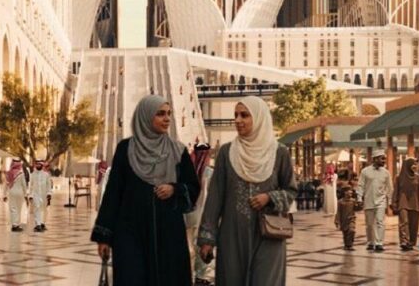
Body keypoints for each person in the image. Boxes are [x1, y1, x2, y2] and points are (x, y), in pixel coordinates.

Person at [91, 94, 200, 285]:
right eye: (160, 114)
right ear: (146, 116)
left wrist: (174, 189)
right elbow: (113, 193)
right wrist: (104, 237)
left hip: (168, 235)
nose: (167, 118)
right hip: (130, 234)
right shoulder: (126, 149)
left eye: (169, 114)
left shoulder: (178, 151)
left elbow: (193, 187)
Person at [197, 98, 297, 286]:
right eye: (235, 115)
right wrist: (207, 239)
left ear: (259, 118)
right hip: (232, 237)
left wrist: (270, 197)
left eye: (244, 115)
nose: (238, 120)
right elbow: (215, 197)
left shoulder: (279, 152)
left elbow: (291, 191)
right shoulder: (227, 153)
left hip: (269, 235)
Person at [184, 143, 213, 286]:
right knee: (202, 244)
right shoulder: (209, 172)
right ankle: (201, 275)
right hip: (203, 215)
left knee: (189, 245)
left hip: (189, 214)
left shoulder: (188, 169)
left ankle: (190, 274)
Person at [356, 154, 392, 252]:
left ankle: (379, 243)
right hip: (368, 200)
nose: (384, 161)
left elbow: (390, 188)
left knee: (380, 222)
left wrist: (390, 201)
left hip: (381, 201)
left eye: (384, 159)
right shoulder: (365, 171)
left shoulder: (386, 173)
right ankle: (371, 242)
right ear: (375, 159)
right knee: (369, 224)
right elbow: (360, 185)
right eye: (382, 159)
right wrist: (359, 198)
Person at [392, 156, 419, 251]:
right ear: (408, 165)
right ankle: (404, 241)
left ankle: (411, 242)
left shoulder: (418, 177)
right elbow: (396, 191)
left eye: (416, 164)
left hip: (415, 203)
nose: (415, 166)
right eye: (413, 164)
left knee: (414, 224)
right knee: (404, 222)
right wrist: (394, 203)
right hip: (403, 202)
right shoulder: (399, 177)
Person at [28, 158, 53, 232]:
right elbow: (31, 186)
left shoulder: (46, 175)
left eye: (39, 164)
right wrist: (30, 195)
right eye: (37, 164)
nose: (38, 165)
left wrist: (49, 194)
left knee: (44, 210)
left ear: (42, 165)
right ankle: (38, 224)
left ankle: (42, 223)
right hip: (35, 194)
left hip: (44, 195)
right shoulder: (32, 175)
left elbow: (49, 185)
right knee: (37, 208)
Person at [6, 158, 29, 231]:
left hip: (11, 192)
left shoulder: (9, 173)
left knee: (13, 208)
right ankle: (16, 225)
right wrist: (26, 195)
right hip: (20, 193)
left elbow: (7, 184)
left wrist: (5, 194)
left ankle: (14, 224)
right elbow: (24, 185)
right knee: (18, 209)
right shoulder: (21, 174)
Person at [335, 186, 357, 250]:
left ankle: (350, 245)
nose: (351, 192)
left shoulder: (353, 201)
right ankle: (346, 245)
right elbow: (338, 212)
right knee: (345, 233)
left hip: (351, 219)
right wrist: (337, 221)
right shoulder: (340, 202)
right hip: (343, 220)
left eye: (351, 192)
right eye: (349, 191)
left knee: (352, 230)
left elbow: (357, 209)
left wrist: (360, 204)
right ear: (345, 192)